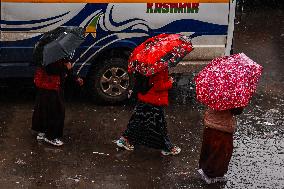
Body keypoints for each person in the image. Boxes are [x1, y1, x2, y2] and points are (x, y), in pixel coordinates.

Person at [116, 69, 181, 155]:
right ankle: (167, 148)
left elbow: (151, 81)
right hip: (154, 100)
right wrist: (170, 82)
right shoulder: (160, 69)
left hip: (145, 97)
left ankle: (124, 139)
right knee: (159, 126)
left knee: (138, 120)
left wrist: (165, 78)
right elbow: (159, 86)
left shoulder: (149, 67)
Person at [32, 58, 83, 146]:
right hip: (51, 87)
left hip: (47, 87)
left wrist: (74, 77)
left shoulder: (51, 53)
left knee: (44, 109)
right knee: (56, 111)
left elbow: (65, 71)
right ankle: (51, 136)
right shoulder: (52, 57)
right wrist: (66, 68)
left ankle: (42, 132)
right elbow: (51, 70)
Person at [198, 107, 244, 184]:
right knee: (221, 153)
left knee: (208, 148)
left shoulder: (214, 96)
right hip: (223, 128)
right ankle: (212, 175)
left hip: (210, 125)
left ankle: (205, 169)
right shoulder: (232, 99)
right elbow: (237, 111)